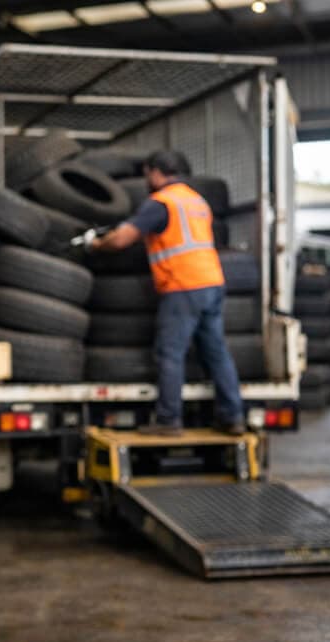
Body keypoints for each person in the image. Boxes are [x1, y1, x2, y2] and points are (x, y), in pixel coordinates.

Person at [88, 150, 244, 437]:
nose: (147, 180)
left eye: (148, 174)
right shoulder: (197, 201)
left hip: (183, 285)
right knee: (217, 353)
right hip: (212, 282)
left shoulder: (161, 203)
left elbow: (123, 239)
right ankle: (232, 417)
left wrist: (98, 245)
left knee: (170, 353)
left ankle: (169, 419)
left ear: (157, 173)